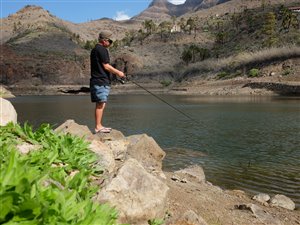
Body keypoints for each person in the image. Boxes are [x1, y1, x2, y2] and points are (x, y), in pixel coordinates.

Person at [90, 31, 125, 133]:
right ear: (104, 40)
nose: (110, 43)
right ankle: (98, 127)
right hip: (100, 81)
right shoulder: (101, 49)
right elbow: (106, 66)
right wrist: (119, 73)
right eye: (110, 41)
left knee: (101, 104)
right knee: (100, 104)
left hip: (98, 80)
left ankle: (99, 125)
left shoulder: (95, 49)